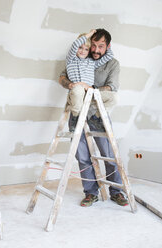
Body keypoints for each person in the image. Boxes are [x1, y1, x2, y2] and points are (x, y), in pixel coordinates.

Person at [59, 28, 129, 207]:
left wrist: (91, 91)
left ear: (108, 47)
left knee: (110, 154)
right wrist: (72, 84)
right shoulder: (81, 55)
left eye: (101, 46)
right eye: (94, 46)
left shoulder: (112, 63)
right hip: (77, 114)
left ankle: (116, 191)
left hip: (98, 115)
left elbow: (112, 87)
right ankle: (91, 192)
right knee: (83, 157)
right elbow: (62, 76)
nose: (96, 50)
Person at [65, 29, 114, 131]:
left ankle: (95, 118)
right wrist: (89, 34)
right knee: (78, 89)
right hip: (76, 95)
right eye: (80, 48)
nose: (83, 51)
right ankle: (75, 118)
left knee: (113, 98)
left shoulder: (92, 62)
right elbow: (75, 45)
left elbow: (109, 55)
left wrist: (107, 46)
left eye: (86, 49)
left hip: (90, 94)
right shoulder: (70, 60)